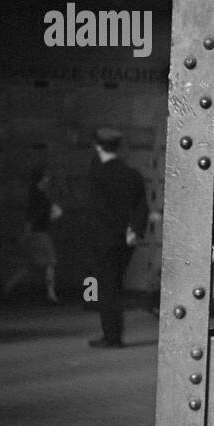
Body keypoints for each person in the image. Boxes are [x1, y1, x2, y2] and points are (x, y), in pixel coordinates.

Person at [87, 128, 148, 348]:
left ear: (97, 146)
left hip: (103, 240)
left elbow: (97, 211)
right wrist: (134, 231)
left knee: (106, 288)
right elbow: (141, 208)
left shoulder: (97, 175)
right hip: (125, 241)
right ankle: (112, 333)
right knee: (115, 285)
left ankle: (111, 336)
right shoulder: (132, 174)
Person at [4, 166, 61, 303]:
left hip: (36, 233)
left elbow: (31, 217)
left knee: (30, 266)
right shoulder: (39, 196)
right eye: (46, 177)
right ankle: (50, 294)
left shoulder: (36, 194)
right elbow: (33, 217)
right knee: (50, 262)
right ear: (41, 179)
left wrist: (26, 235)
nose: (48, 179)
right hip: (40, 234)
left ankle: (7, 288)